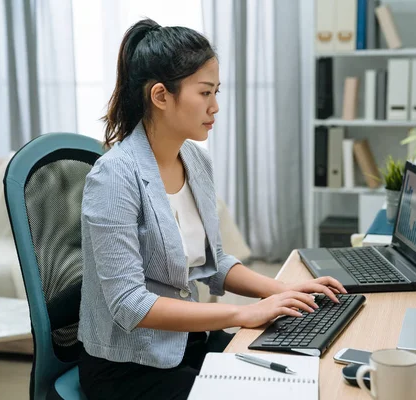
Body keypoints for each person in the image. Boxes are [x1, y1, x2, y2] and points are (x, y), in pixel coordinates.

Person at [77, 18, 347, 400]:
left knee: (301, 374)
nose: (215, 106)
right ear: (160, 96)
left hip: (185, 342)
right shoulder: (114, 178)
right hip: (128, 368)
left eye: (216, 91)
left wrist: (281, 290)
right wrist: (242, 313)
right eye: (205, 93)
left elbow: (212, 260)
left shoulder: (193, 159)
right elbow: (130, 305)